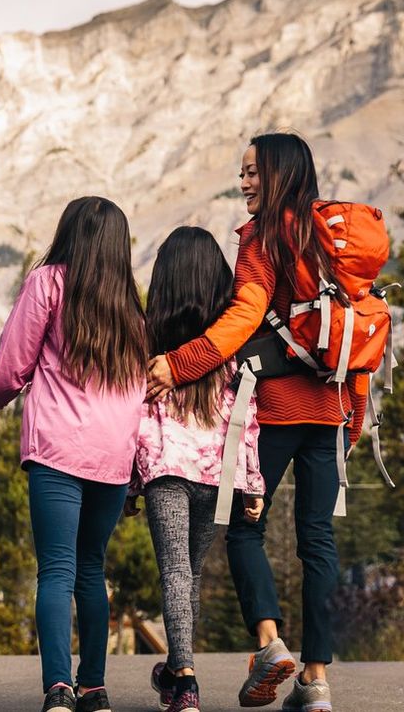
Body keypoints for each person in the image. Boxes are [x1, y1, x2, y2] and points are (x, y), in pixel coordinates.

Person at [146, 133, 362, 712]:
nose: (244, 183)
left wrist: (179, 362)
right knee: (319, 541)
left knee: (244, 527)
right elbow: (357, 328)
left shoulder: (263, 239)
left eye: (252, 173)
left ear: (278, 174)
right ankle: (315, 681)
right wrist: (354, 420)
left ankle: (269, 644)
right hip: (332, 411)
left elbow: (243, 317)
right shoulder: (334, 238)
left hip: (274, 409)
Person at [0, 196, 149, 712]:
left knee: (55, 569)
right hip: (114, 459)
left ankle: (58, 689)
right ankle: (94, 688)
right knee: (92, 570)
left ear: (69, 233)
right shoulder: (130, 307)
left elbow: (12, 365)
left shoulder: (49, 282)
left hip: (57, 451)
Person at [131, 227, 267, 712]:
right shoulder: (226, 345)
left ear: (165, 277)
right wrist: (253, 483)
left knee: (175, 572)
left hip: (167, 470)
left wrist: (132, 482)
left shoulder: (148, 341)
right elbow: (246, 414)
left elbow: (137, 416)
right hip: (218, 475)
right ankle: (176, 671)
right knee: (191, 573)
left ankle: (184, 679)